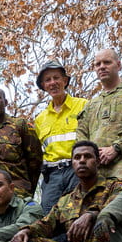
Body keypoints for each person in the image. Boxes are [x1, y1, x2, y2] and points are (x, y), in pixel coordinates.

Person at [75, 49, 122, 184]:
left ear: (118, 65)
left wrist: (116, 148)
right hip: (94, 168)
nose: (102, 67)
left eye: (107, 62)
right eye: (98, 64)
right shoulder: (91, 104)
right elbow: (81, 134)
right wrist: (88, 156)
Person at [34, 61, 89, 211]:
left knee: (79, 213)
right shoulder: (40, 119)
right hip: (52, 176)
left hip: (78, 170)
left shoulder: (84, 105)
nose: (53, 83)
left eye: (56, 78)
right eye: (48, 80)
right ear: (43, 86)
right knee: (48, 217)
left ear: (64, 81)